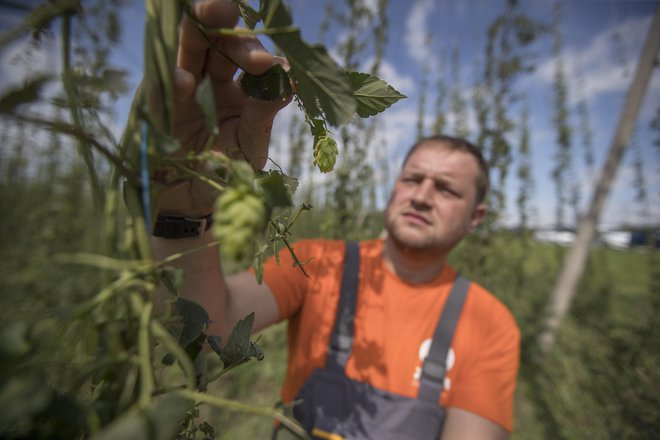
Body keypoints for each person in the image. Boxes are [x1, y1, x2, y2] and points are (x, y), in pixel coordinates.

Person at [151, 1, 520, 439]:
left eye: (446, 189)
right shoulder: (317, 264)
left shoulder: (488, 322)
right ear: (395, 186)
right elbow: (208, 322)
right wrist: (184, 207)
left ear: (476, 216)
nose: (422, 196)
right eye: (412, 179)